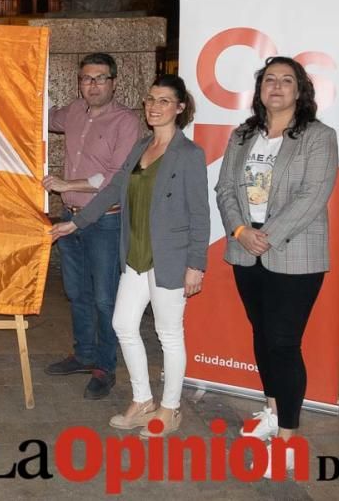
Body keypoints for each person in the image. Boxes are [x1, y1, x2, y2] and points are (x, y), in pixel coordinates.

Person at [51, 75, 209, 436]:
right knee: (123, 324)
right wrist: (77, 224)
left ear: (180, 108)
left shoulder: (189, 154)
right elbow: (112, 190)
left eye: (164, 101)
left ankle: (170, 408)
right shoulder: (141, 146)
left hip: (169, 257)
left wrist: (196, 264)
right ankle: (142, 400)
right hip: (135, 254)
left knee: (169, 334)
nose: (154, 106)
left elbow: (201, 213)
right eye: (151, 99)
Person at [215, 56, 338, 478]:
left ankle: (287, 441)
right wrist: (238, 230)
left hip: (294, 249)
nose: (278, 87)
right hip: (246, 247)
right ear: (260, 89)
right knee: (262, 335)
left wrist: (266, 235)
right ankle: (271, 410)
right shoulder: (243, 134)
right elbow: (226, 186)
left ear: (301, 91)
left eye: (288, 80)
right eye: (270, 80)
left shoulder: (319, 137)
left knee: (284, 343)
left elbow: (313, 194)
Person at [42, 52, 141, 400]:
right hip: (70, 220)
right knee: (77, 293)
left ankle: (105, 366)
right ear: (79, 83)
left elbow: (117, 175)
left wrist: (69, 184)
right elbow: (37, 113)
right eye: (86, 78)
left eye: (100, 78)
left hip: (105, 221)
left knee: (103, 298)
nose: (93, 85)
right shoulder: (71, 113)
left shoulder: (126, 122)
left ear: (114, 82)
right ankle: (83, 354)